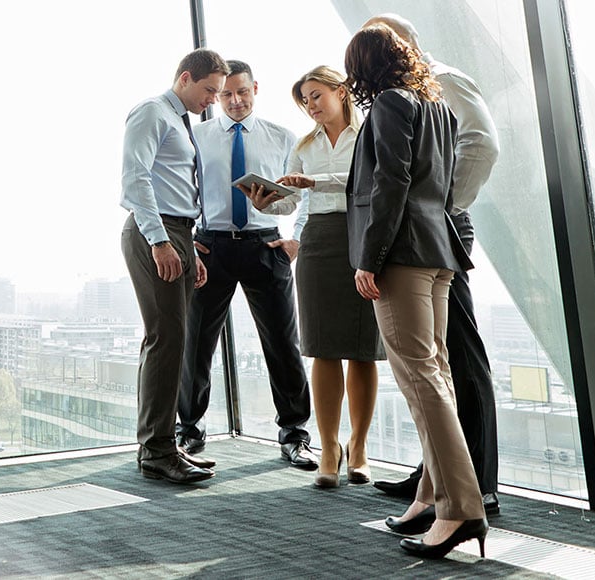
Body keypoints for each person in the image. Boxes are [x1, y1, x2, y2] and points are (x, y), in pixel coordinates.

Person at [344, 24, 488, 559]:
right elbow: (441, 186)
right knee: (438, 372)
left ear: (363, 66)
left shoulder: (387, 104)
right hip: (438, 251)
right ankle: (429, 498)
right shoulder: (437, 108)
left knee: (420, 377)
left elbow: (391, 183)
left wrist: (369, 256)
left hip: (401, 254)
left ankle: (459, 509)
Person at [176, 60, 318, 470]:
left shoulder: (282, 138)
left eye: (242, 92)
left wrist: (296, 240)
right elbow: (182, 191)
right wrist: (187, 239)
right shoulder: (195, 137)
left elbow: (303, 194)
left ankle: (294, 433)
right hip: (211, 247)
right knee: (196, 341)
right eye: (226, 95)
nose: (235, 102)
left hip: (265, 244)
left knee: (282, 342)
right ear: (215, 95)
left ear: (255, 88)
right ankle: (190, 427)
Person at [259, 65, 385, 488]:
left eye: (316, 95)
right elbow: (290, 204)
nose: (311, 106)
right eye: (305, 100)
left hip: (362, 238)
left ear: (340, 92)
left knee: (363, 349)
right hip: (319, 241)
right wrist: (265, 202)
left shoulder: (369, 134)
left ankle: (360, 446)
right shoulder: (303, 145)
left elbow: (370, 182)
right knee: (323, 348)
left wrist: (315, 180)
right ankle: (329, 446)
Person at [120, 49, 229, 484]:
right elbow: (136, 177)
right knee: (166, 339)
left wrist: (189, 248)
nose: (213, 101)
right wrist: (162, 241)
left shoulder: (181, 120)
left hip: (180, 234)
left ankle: (164, 443)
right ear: (185, 78)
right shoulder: (152, 112)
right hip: (156, 232)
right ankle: (157, 451)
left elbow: (178, 183)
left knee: (174, 339)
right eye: (209, 91)